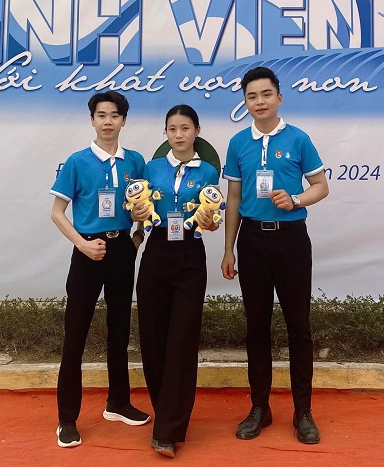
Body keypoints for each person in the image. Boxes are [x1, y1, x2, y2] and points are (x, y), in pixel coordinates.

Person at [220, 67, 329, 445]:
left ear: (279, 98)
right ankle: (259, 408)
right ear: (245, 102)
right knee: (256, 328)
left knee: (299, 327)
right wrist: (229, 248)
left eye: (266, 94)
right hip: (252, 241)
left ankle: (303, 412)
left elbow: (321, 186)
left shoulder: (298, 139)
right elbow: (234, 197)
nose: (260, 101)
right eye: (252, 96)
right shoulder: (238, 143)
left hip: (292, 240)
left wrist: (295, 199)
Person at [50, 91, 151, 448]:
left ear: (124, 120)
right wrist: (82, 244)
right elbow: (57, 213)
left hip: (122, 249)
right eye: (101, 115)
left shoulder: (135, 161)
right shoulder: (77, 162)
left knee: (119, 330)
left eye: (114, 115)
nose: (108, 121)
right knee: (75, 335)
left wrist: (137, 235)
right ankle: (67, 419)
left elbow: (142, 207)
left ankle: (118, 403)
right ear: (92, 120)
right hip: (88, 252)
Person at [135, 104, 221, 458]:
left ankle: (168, 429)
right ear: (166, 133)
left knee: (182, 341)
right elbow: (138, 211)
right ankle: (166, 412)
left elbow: (211, 217)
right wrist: (136, 213)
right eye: (172, 128)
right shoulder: (151, 167)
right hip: (155, 253)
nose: (179, 134)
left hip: (189, 256)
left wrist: (212, 223)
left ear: (197, 131)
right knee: (153, 339)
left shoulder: (209, 171)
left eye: (185, 128)